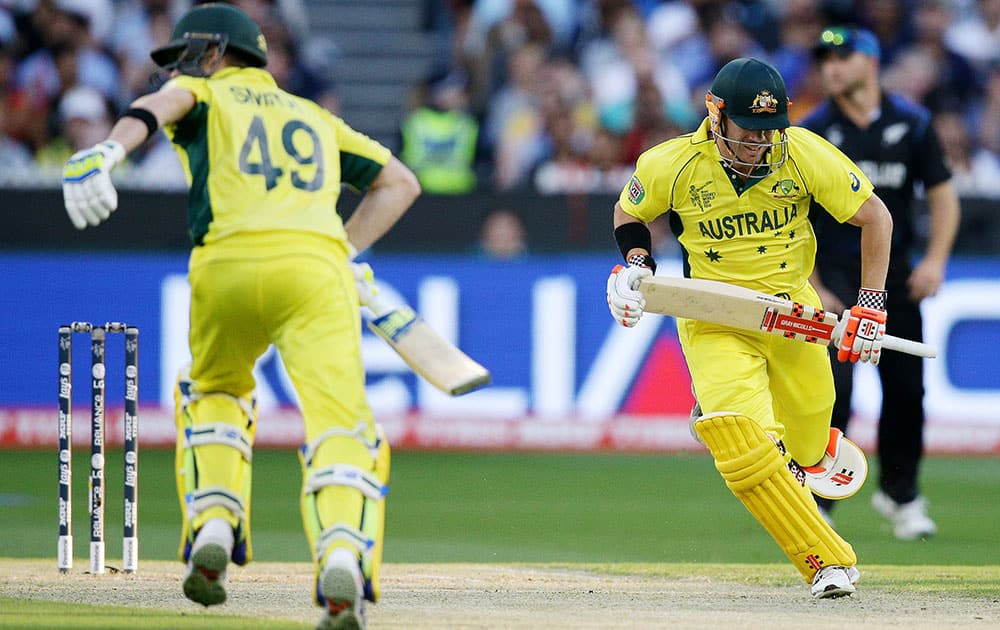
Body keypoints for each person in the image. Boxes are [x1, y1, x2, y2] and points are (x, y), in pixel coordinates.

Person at [60, 4, 421, 629]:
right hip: (314, 273)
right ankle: (341, 551)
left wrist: (107, 151)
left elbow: (158, 109)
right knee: (341, 423)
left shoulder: (198, 90)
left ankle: (216, 523)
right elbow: (400, 183)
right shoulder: (314, 115)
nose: (181, 69)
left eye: (190, 55)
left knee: (216, 390)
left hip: (225, 264)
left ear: (219, 52)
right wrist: (343, 249)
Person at [606, 57, 894, 599]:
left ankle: (803, 450)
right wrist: (638, 266)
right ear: (716, 115)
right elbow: (629, 215)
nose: (761, 142)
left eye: (770, 129)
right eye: (749, 130)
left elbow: (875, 216)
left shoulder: (802, 152)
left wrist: (871, 305)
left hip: (795, 315)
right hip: (716, 316)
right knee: (747, 445)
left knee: (806, 452)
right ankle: (824, 562)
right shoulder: (672, 163)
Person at [802, 26, 960, 540]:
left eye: (842, 57)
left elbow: (942, 195)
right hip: (834, 280)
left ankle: (901, 495)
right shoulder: (812, 130)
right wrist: (813, 283)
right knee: (832, 393)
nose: (832, 67)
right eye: (825, 58)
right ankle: (821, 500)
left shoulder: (911, 124)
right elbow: (791, 214)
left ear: (870, 62)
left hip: (895, 281)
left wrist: (935, 260)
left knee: (906, 392)